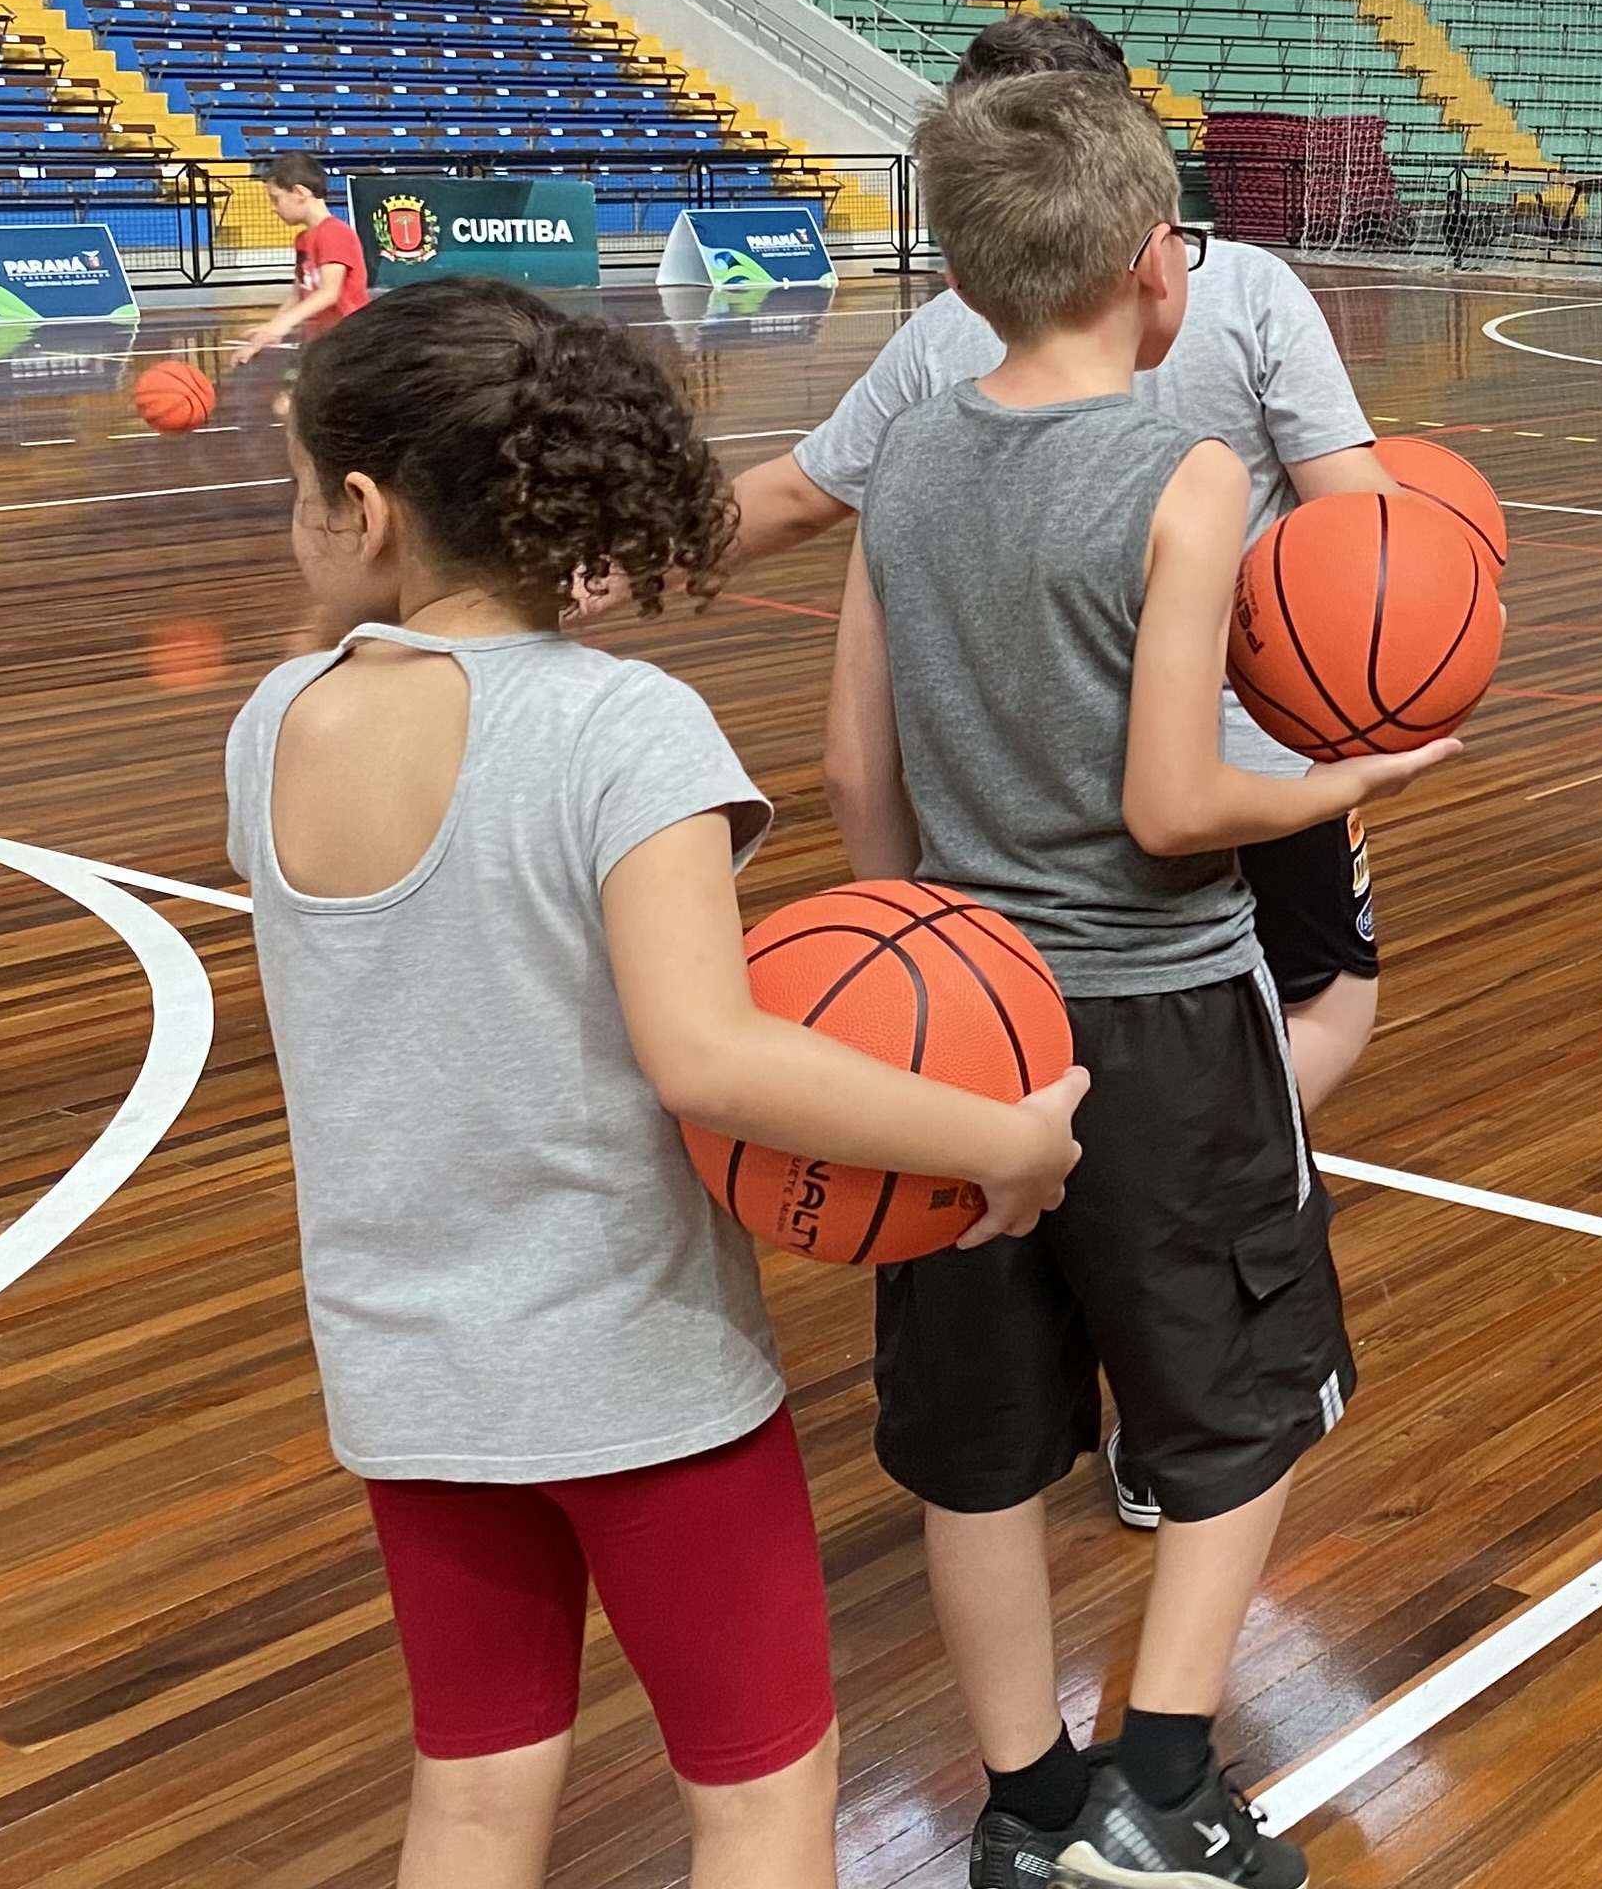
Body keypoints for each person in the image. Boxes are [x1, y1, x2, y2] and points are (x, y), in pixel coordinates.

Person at [225, 277, 1084, 1889]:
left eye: (299, 492)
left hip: (408, 1380)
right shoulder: (625, 727)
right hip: (637, 1376)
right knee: (760, 1798)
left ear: (363, 511)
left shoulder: (274, 725)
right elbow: (712, 1053)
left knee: (473, 1789)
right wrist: (1005, 1140)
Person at [825, 70, 1456, 1888]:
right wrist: (1350, 777)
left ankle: (1022, 1814)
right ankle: (1160, 1791)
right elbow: (1173, 802)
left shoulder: (910, 454)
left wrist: (918, 940)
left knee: (979, 1443)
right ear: (1156, 269)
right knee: (1239, 1403)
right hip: (1163, 1019)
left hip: (956, 1019)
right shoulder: (1185, 475)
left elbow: (859, 768)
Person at [716, 14, 1398, 1534]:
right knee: (1325, 1006)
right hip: (1233, 793)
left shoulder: (937, 367)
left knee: (997, 1175)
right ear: (1153, 233)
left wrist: (571, 566)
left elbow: (801, 534)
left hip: (976, 870)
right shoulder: (1249, 307)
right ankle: (1178, 1356)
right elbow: (1364, 530)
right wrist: (1372, 727)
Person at [229, 151, 372, 368]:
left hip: (348, 342)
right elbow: (299, 292)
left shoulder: (335, 233)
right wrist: (270, 330)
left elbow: (329, 292)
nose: (273, 208)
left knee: (297, 402)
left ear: (299, 192)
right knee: (287, 401)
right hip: (317, 342)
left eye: (276, 199)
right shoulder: (303, 239)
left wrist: (282, 325)